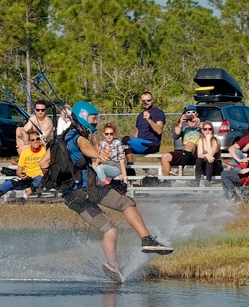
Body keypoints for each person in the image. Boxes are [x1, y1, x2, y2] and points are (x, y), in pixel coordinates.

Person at [44, 101, 172, 284]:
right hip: (87, 189)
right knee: (126, 203)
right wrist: (97, 154)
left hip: (71, 196)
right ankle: (147, 239)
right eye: (93, 118)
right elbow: (84, 146)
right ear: (82, 117)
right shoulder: (79, 136)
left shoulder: (59, 141)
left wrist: (58, 182)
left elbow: (42, 164)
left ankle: (112, 266)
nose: (96, 122)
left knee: (109, 230)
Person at [0, 128, 47, 201]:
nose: (35, 141)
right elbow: (18, 171)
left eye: (37, 139)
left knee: (39, 179)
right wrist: (21, 175)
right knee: (7, 183)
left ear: (40, 140)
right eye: (32, 140)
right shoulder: (25, 152)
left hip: (39, 178)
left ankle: (24, 197)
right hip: (26, 177)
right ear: (29, 142)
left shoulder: (44, 151)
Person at [159, 106, 201, 177]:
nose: (191, 114)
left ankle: (180, 168)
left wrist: (199, 125)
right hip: (185, 152)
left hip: (197, 152)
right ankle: (167, 181)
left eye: (193, 112)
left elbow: (209, 136)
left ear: (197, 114)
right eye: (188, 112)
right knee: (165, 156)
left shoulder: (202, 125)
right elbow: (175, 136)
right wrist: (180, 123)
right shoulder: (183, 125)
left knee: (190, 144)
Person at [130, 91, 166, 162]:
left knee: (125, 141)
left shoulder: (158, 113)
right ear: (141, 101)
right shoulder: (140, 116)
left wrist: (149, 119)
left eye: (148, 100)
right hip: (140, 144)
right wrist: (131, 141)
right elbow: (138, 132)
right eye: (143, 101)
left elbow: (159, 131)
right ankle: (129, 170)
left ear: (152, 100)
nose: (146, 102)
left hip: (151, 145)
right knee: (120, 144)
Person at [193, 121, 220, 186]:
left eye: (210, 129)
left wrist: (208, 140)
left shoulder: (216, 141)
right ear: (202, 130)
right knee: (199, 160)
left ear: (212, 131)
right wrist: (206, 155)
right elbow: (199, 155)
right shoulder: (201, 140)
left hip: (215, 166)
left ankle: (208, 181)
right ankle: (197, 181)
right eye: (205, 129)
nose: (207, 131)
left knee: (209, 159)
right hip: (205, 166)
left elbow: (211, 155)